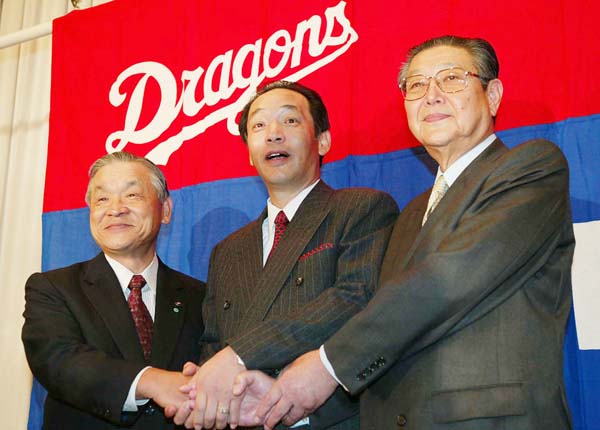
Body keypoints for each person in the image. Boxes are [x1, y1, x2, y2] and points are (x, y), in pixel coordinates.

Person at [244, 35, 575, 430]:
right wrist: (283, 403)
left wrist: (326, 366)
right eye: (416, 85)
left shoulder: (531, 169)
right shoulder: (411, 214)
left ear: (492, 96)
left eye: (451, 78)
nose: (431, 95)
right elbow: (394, 334)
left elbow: (446, 282)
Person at [167, 80, 399, 429]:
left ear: (323, 140)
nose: (273, 134)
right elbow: (214, 344)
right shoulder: (227, 251)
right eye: (259, 126)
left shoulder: (360, 209)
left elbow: (354, 298)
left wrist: (239, 355)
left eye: (289, 120)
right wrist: (203, 387)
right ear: (249, 153)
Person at [22, 151, 205, 429]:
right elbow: (59, 361)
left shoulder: (200, 296)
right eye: (102, 199)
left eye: (132, 195)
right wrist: (154, 382)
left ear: (165, 210)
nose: (116, 209)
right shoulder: (53, 289)